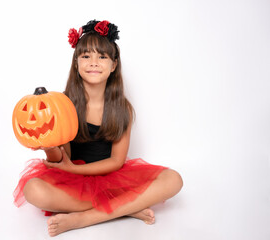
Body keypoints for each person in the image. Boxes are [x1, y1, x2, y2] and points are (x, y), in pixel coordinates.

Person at [13, 20, 183, 237]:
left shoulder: (122, 109)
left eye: (102, 56)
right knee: (32, 190)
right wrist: (49, 146)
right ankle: (127, 208)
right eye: (86, 56)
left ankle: (86, 218)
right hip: (74, 180)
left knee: (174, 179)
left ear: (113, 65)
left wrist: (74, 169)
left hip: (110, 176)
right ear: (76, 63)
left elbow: (116, 162)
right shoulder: (63, 104)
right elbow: (64, 158)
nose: (93, 62)